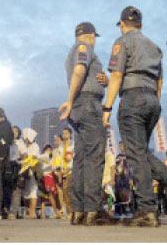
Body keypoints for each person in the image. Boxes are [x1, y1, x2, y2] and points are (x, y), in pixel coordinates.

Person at [102, 6, 163, 227]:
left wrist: (107, 107)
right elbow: (159, 82)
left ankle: (147, 210)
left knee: (136, 156)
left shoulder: (122, 41)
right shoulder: (154, 47)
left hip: (132, 99)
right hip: (152, 101)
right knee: (142, 154)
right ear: (141, 25)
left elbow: (117, 74)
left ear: (121, 24)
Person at [58, 21, 110, 226]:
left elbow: (82, 73)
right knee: (94, 158)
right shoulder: (84, 47)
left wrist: (102, 82)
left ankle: (78, 211)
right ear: (91, 36)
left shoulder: (71, 52)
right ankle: (93, 210)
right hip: (87, 104)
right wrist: (70, 100)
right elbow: (80, 71)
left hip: (80, 106)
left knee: (81, 158)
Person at [21, 127, 40, 219]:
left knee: (33, 191)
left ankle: (32, 212)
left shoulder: (35, 146)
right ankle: (29, 211)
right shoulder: (24, 146)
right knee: (26, 192)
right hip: (24, 171)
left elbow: (34, 158)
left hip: (31, 171)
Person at [7, 126, 25, 219]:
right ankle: (6, 210)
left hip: (17, 167)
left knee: (16, 190)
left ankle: (13, 212)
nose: (14, 133)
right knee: (7, 189)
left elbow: (24, 156)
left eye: (16, 131)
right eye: (12, 131)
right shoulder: (7, 142)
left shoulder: (20, 143)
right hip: (7, 167)